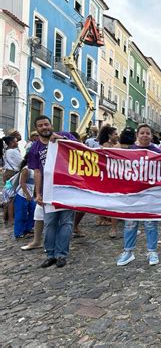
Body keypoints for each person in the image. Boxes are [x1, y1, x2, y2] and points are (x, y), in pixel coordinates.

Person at [28, 115, 76, 268]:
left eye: (46, 124)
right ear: (37, 129)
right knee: (50, 224)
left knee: (67, 223)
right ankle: (50, 254)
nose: (44, 127)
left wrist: (61, 139)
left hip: (67, 189)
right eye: (40, 125)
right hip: (48, 191)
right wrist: (38, 193)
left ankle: (61, 254)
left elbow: (80, 150)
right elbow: (37, 172)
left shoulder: (65, 136)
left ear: (51, 125)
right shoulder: (35, 148)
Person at [116, 124, 161, 266]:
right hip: (132, 193)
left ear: (152, 136)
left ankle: (152, 251)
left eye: (148, 133)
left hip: (150, 193)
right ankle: (128, 252)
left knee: (150, 224)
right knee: (130, 223)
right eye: (142, 133)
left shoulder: (158, 152)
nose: (145, 135)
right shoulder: (129, 151)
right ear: (137, 135)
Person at [13, 153, 36, 238]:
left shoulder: (34, 169)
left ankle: (28, 229)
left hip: (30, 194)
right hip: (22, 195)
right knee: (21, 214)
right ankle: (18, 232)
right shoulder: (26, 169)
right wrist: (27, 194)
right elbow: (22, 183)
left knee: (33, 211)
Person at [1, 135, 22, 224]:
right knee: (12, 197)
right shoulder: (13, 151)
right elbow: (20, 163)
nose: (17, 143)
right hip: (13, 174)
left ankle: (7, 217)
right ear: (11, 143)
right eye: (16, 141)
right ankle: (11, 219)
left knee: (9, 195)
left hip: (8, 174)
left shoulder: (7, 151)